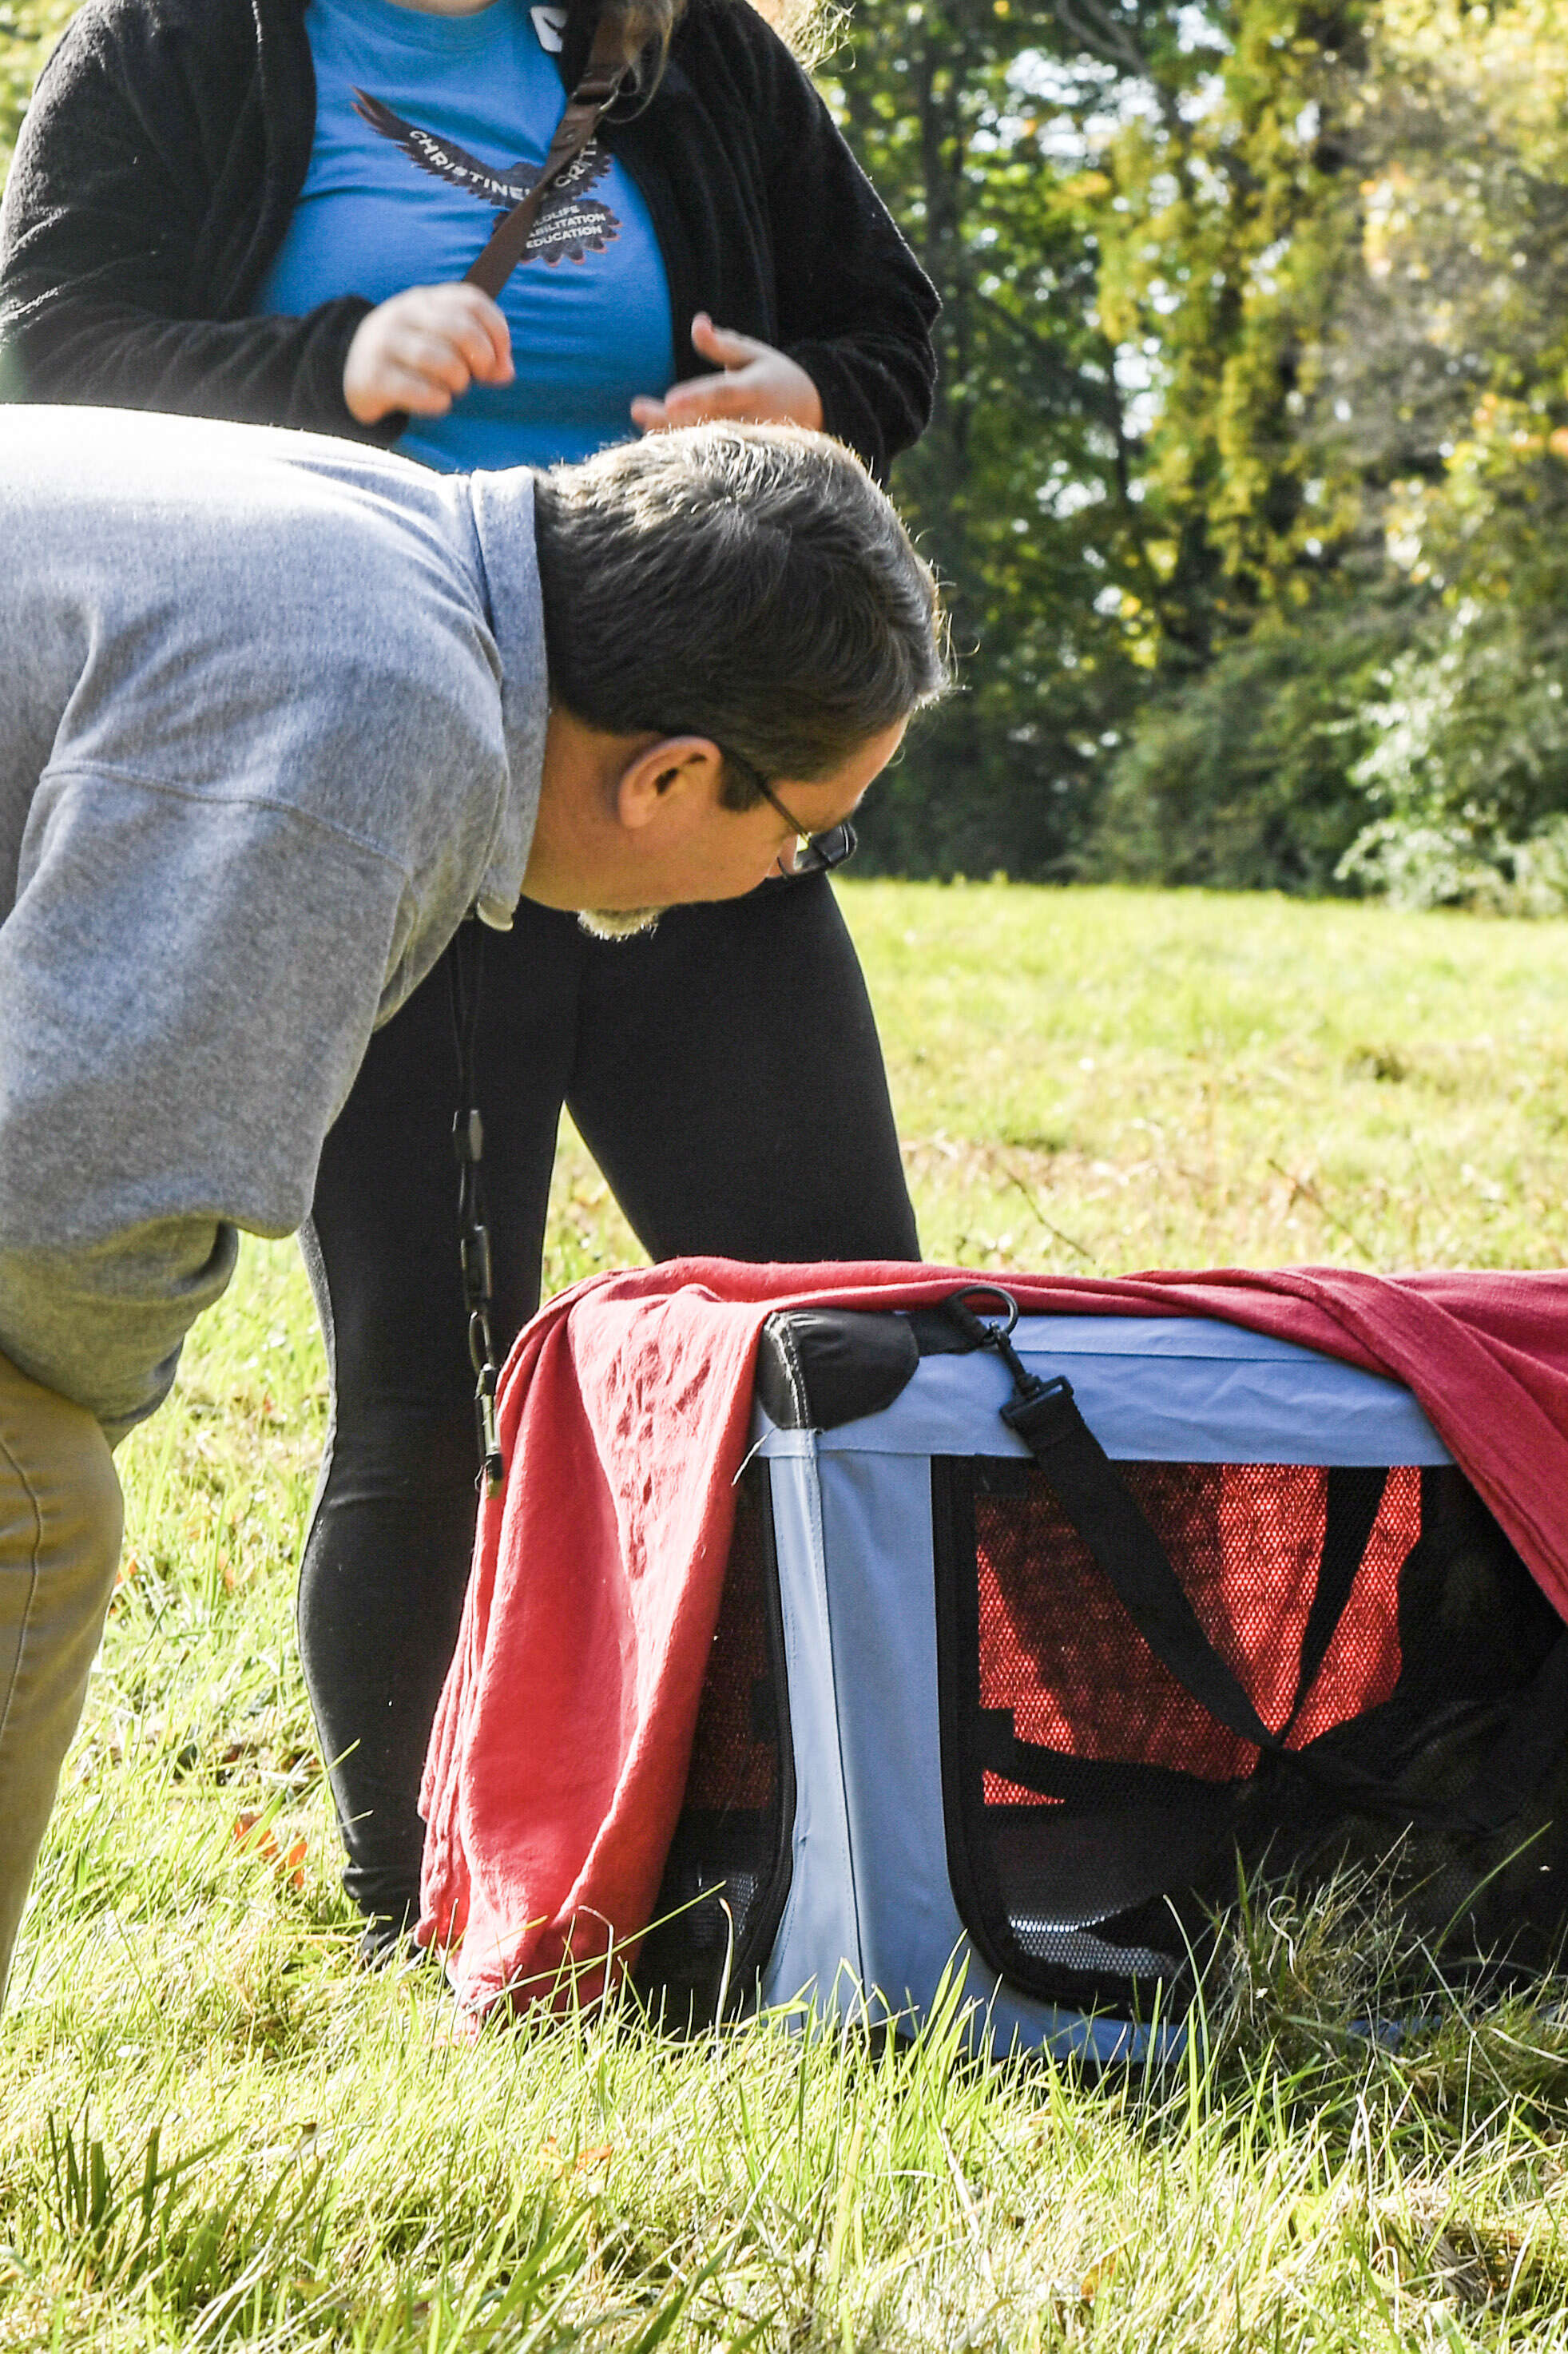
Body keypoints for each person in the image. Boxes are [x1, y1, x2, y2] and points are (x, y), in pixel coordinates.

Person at [0, 0, 939, 1943]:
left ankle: (822, 1840)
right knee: (40, 1504)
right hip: (460, 727)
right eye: (800, 832)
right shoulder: (370, 723)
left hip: (551, 671)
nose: (800, 877)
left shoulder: (398, 595)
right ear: (682, 784)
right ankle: (413, 1887)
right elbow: (67, 1217)